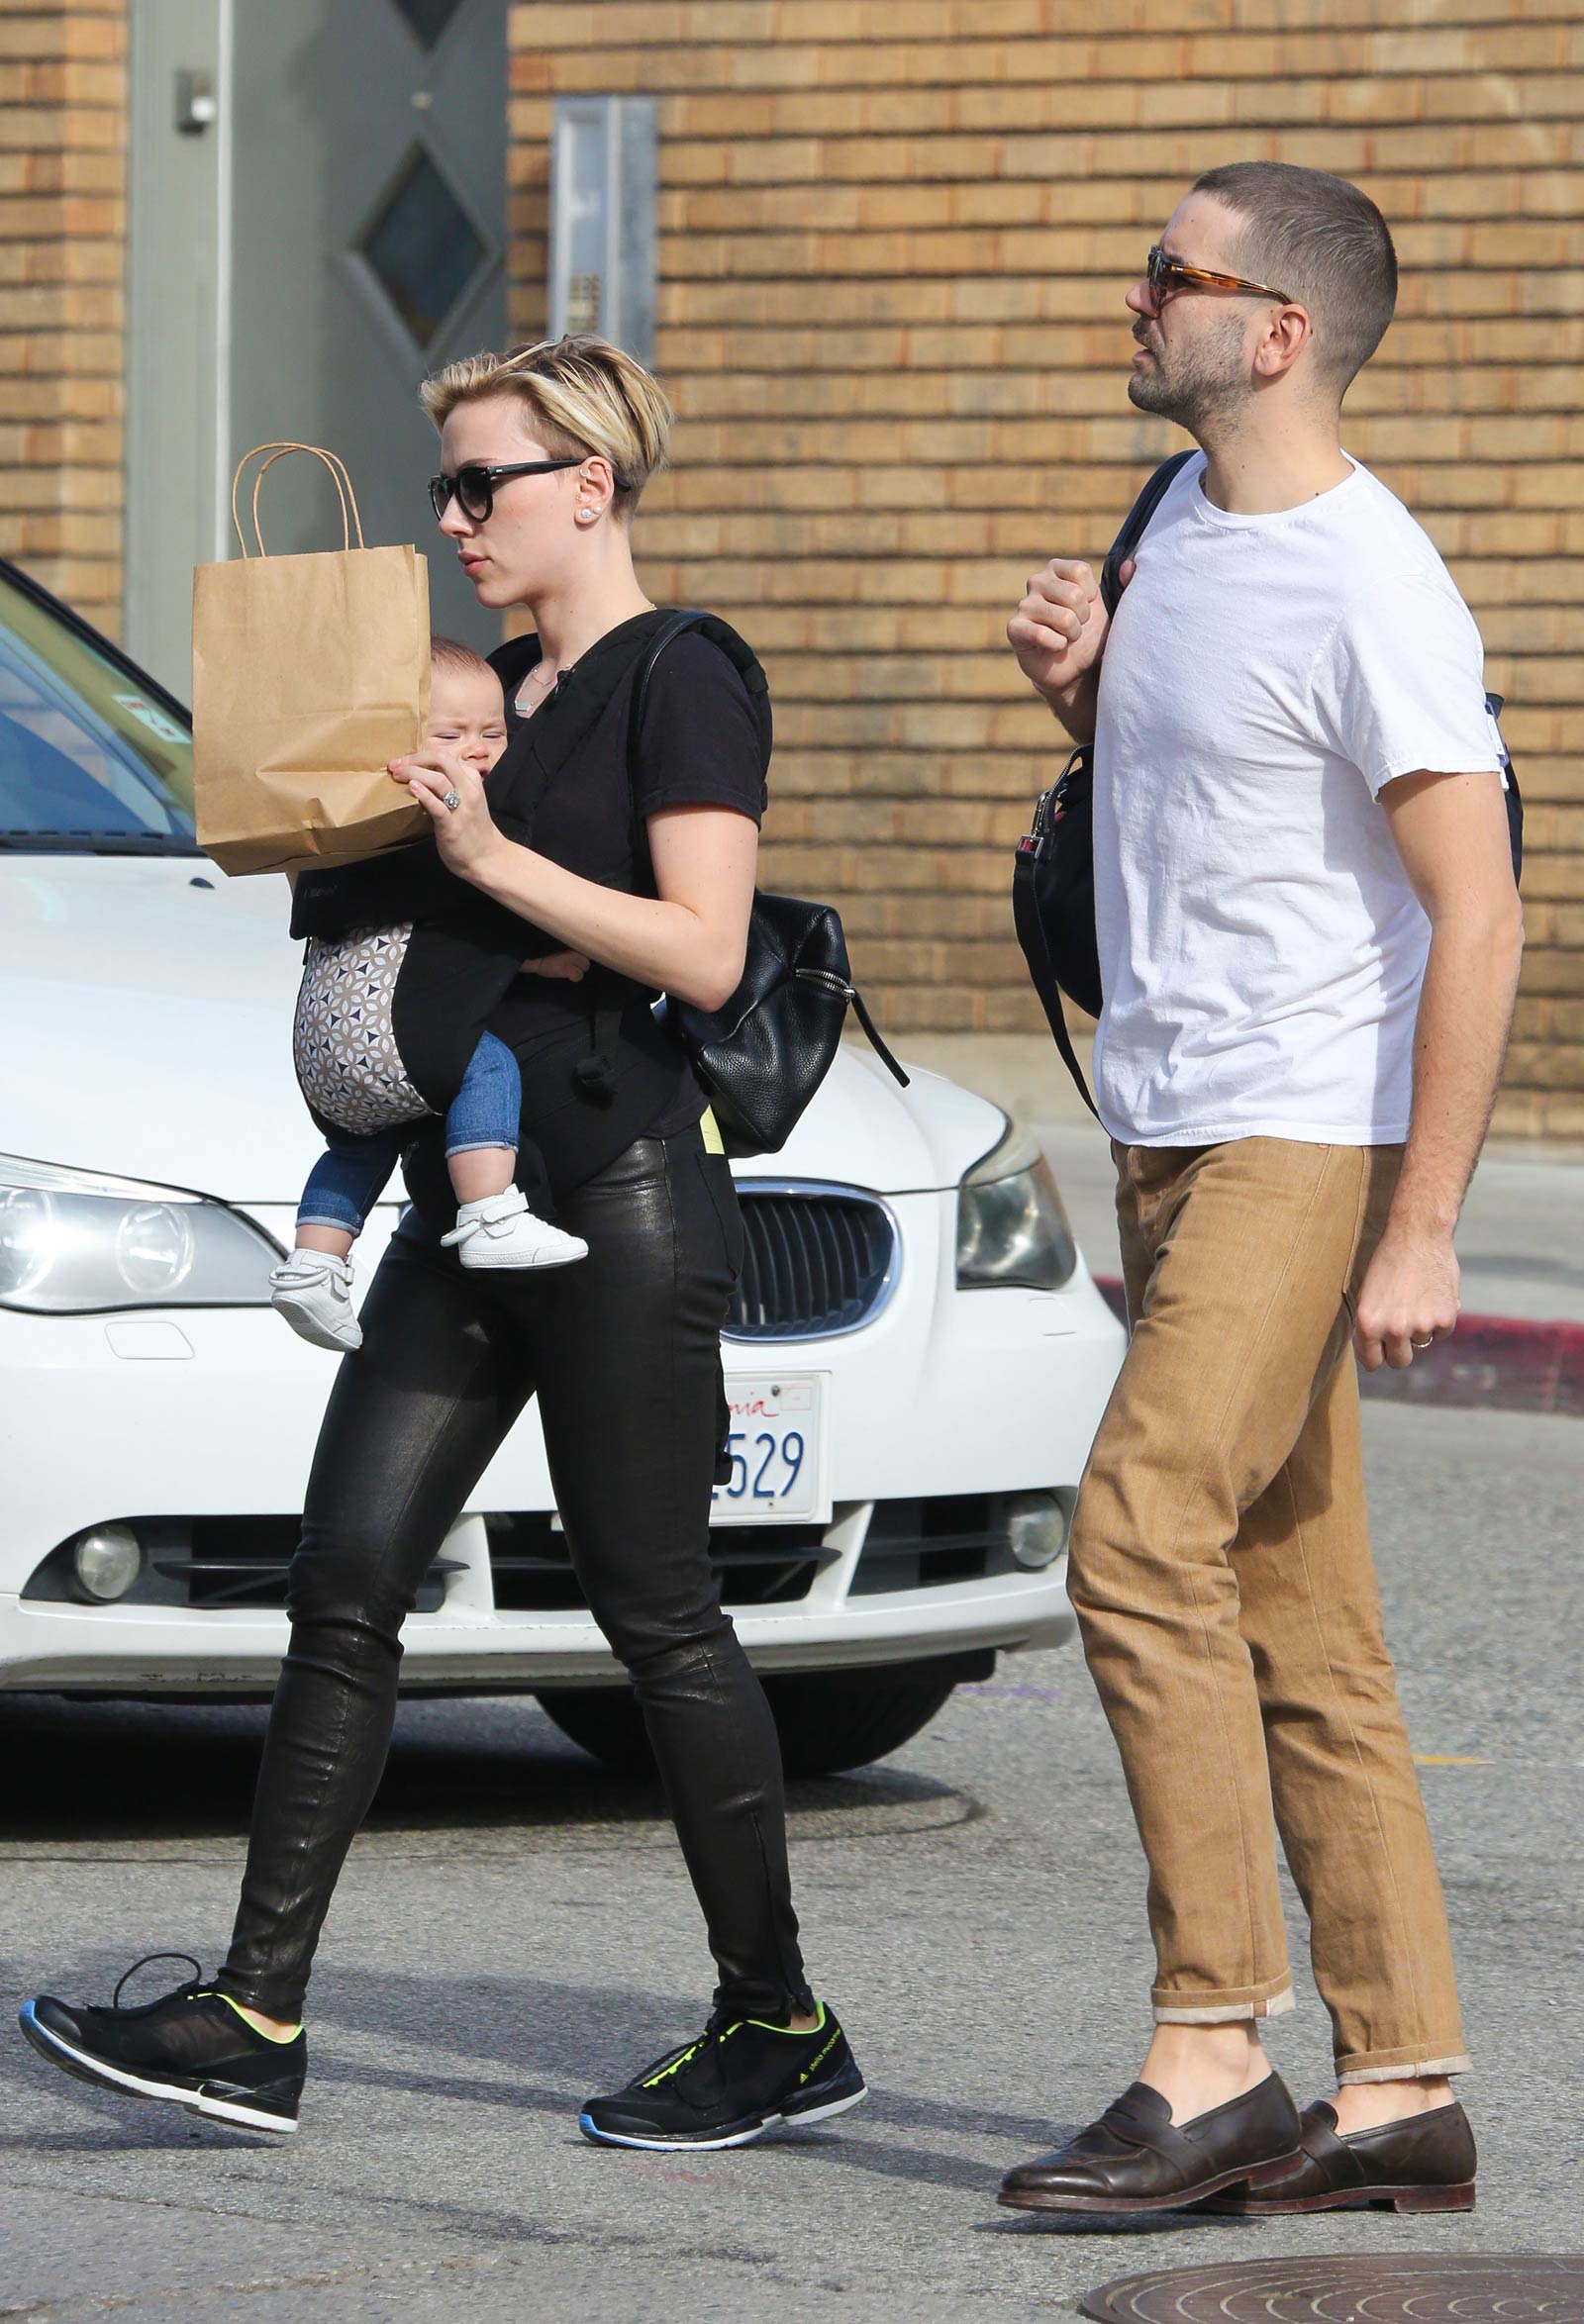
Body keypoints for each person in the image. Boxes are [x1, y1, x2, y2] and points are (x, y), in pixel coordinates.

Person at [19, 335, 865, 2153]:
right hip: (459, 1201)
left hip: (625, 1196)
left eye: (483, 484)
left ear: (592, 482)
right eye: (445, 489)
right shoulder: (497, 697)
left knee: (653, 1608)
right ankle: (252, 2015)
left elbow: (706, 951)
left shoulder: (679, 675)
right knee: (348, 1578)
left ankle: (775, 2015)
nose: (456, 518)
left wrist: (489, 863)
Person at [998, 162, 1519, 2218]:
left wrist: (1421, 1219)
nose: (1135, 300)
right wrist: (1080, 688)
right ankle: (1397, 2082)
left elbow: (1471, 916)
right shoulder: (1172, 526)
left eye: (1170, 276)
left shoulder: (1372, 581)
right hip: (1166, 1109)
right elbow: (1197, 798)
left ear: (1274, 329)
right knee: (1299, 1613)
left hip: (1306, 1127)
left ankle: (1209, 2046)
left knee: (1132, 1535)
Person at [269, 635, 588, 1358]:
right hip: (398, 1037)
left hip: (323, 1050)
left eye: (493, 732)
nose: (475, 751)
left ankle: (313, 1264)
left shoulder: (345, 840)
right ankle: (489, 1215)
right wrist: (550, 950)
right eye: (448, 735)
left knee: (358, 1146)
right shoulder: (438, 828)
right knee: (486, 1066)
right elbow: (485, 918)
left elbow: (438, 946)